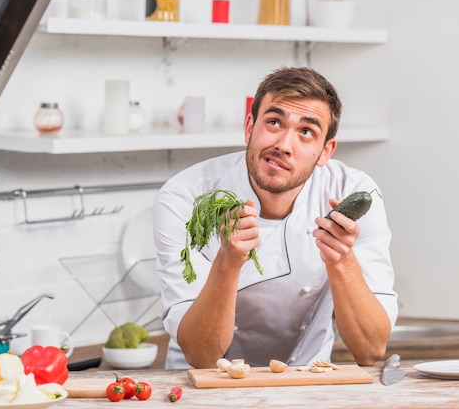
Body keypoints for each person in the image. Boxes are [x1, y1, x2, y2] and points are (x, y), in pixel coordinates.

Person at [153, 66, 397, 370]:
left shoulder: (354, 192)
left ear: (325, 152)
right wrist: (229, 261)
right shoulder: (185, 197)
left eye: (306, 132)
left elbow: (371, 350)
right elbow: (201, 355)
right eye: (273, 122)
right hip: (200, 386)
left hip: (305, 381)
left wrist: (341, 261)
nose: (283, 145)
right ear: (249, 127)